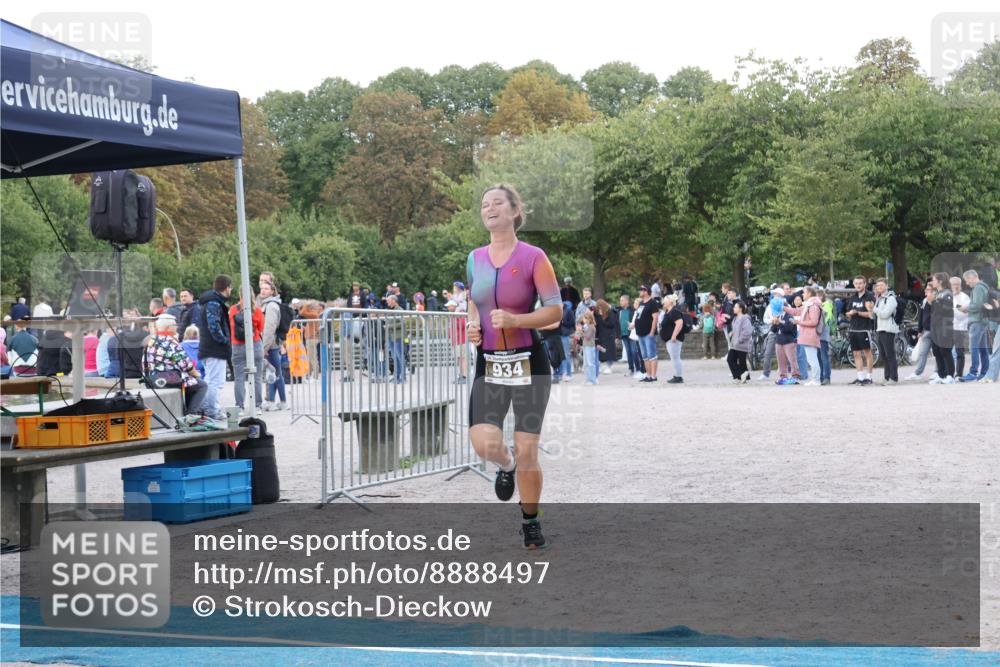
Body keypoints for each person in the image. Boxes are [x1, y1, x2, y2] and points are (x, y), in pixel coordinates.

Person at [466, 184, 562, 550]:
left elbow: (555, 313)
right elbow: (475, 303)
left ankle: (531, 519)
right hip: (489, 362)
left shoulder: (535, 256)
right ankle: (504, 467)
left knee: (527, 450)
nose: (488, 209)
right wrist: (473, 325)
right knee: (483, 443)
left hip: (528, 363)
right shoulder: (474, 258)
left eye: (496, 203)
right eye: (484, 204)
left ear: (513, 211)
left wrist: (516, 321)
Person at [145, 314, 207, 415]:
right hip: (170, 379)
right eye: (175, 325)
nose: (177, 327)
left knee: (190, 382)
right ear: (169, 328)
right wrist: (196, 374)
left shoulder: (151, 340)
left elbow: (145, 362)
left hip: (153, 379)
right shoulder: (171, 342)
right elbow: (185, 365)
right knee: (201, 385)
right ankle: (191, 415)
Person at [197, 274, 233, 421]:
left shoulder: (209, 302)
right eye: (230, 287)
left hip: (207, 347)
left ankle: (207, 408)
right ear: (227, 288)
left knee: (210, 380)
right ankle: (212, 410)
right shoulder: (214, 303)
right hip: (214, 349)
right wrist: (224, 340)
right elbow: (214, 326)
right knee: (215, 382)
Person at [229, 287, 264, 414]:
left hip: (237, 345)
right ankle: (258, 406)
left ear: (239, 294)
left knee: (239, 378)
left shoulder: (233, 310)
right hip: (255, 344)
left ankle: (240, 407)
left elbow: (230, 327)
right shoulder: (257, 311)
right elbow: (260, 328)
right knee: (257, 377)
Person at [783, 287, 822, 386]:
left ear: (809, 293)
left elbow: (814, 322)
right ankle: (815, 379)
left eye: (804, 293)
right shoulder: (808, 305)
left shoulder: (813, 306)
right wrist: (783, 307)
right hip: (807, 335)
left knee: (812, 359)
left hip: (810, 335)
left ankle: (816, 380)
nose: (802, 295)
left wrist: (798, 322)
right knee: (811, 359)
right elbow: (796, 312)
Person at [258, 279, 287, 410]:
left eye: (266, 288)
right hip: (270, 344)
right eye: (262, 288)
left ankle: (280, 401)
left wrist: (264, 348)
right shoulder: (267, 304)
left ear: (272, 291)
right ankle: (274, 401)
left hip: (271, 345)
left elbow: (269, 328)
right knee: (273, 372)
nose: (263, 290)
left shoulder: (271, 306)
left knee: (276, 373)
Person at [958, 269, 990, 381]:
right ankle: (985, 372)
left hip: (977, 321)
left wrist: (965, 308)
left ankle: (973, 373)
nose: (967, 283)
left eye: (967, 280)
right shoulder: (983, 287)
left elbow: (976, 305)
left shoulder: (978, 288)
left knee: (974, 348)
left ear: (972, 277)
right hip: (983, 321)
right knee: (983, 349)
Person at [845, 275, 876, 385]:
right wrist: (849, 314)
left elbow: (871, 314)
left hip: (864, 329)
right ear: (854, 284)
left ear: (864, 284)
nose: (858, 285)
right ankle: (860, 377)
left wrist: (857, 313)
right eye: (856, 283)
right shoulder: (853, 297)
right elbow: (848, 312)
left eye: (860, 283)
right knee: (856, 354)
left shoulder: (869, 296)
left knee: (867, 353)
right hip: (853, 328)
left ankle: (869, 377)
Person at [928, 272, 956, 384]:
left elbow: (947, 309)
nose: (932, 282)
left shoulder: (947, 293)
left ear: (940, 281)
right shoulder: (938, 293)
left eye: (934, 280)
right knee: (937, 351)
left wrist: (934, 301)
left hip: (944, 327)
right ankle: (941, 375)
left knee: (945, 351)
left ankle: (950, 376)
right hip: (935, 326)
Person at [905, 286, 937, 381]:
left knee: (936, 353)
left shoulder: (937, 302)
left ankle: (937, 372)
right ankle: (918, 372)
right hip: (926, 331)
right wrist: (919, 330)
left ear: (933, 292)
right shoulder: (924, 301)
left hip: (935, 331)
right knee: (923, 353)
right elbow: (921, 316)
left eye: (928, 290)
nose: (925, 291)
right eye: (926, 289)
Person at [872, 278, 899, 385]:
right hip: (880, 328)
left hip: (888, 329)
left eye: (882, 285)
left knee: (890, 354)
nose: (879, 287)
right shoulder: (880, 299)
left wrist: (873, 309)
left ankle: (894, 377)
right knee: (883, 354)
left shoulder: (891, 298)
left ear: (887, 286)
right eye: (878, 285)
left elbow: (885, 314)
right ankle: (887, 377)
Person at [634, 285, 661, 382]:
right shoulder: (641, 303)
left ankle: (653, 376)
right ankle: (648, 375)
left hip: (648, 333)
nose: (639, 292)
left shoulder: (652, 303)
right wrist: (634, 325)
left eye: (641, 290)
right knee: (644, 356)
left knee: (651, 355)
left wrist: (652, 332)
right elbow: (639, 316)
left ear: (646, 291)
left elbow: (655, 318)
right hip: (640, 333)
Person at [659, 294, 686, 384]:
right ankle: (677, 375)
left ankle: (678, 376)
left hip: (674, 339)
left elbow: (679, 323)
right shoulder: (668, 312)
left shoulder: (674, 312)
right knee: (674, 358)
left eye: (665, 300)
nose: (663, 302)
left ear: (670, 302)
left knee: (675, 358)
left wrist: (674, 336)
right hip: (669, 339)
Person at [772, 304, 800, 385]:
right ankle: (783, 377)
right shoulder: (778, 316)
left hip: (789, 342)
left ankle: (795, 376)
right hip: (779, 341)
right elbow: (773, 330)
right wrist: (774, 322)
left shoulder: (789, 316)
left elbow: (788, 329)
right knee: (781, 361)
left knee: (792, 360)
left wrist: (779, 323)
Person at [727, 301, 752, 383]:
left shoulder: (745, 319)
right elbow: (736, 329)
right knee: (730, 360)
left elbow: (747, 332)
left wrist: (739, 340)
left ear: (740, 309)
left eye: (735, 307)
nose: (734, 308)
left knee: (741, 362)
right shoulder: (735, 318)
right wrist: (732, 333)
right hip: (734, 344)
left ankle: (741, 376)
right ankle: (740, 376)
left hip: (741, 345)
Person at [950, 276, 970, 379]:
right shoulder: (948, 296)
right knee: (946, 351)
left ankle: (959, 373)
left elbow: (964, 314)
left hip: (960, 328)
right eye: (954, 284)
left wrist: (953, 309)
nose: (956, 286)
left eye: (958, 284)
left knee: (959, 352)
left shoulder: (965, 297)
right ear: (950, 286)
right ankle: (948, 372)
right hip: (948, 328)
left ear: (961, 285)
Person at [594, 299, 617, 375]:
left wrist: (601, 317)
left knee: (609, 351)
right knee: (602, 351)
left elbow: (611, 324)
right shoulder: (597, 313)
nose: (598, 309)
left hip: (609, 335)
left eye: (600, 307)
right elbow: (596, 323)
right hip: (601, 335)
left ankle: (609, 366)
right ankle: (600, 366)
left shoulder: (610, 312)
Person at [578, 310, 599, 385]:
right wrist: (580, 332)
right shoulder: (586, 326)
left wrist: (581, 332)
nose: (583, 320)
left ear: (588, 319)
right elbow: (582, 336)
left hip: (590, 346)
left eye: (584, 319)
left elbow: (588, 337)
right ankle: (588, 379)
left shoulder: (591, 327)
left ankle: (592, 380)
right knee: (586, 363)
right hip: (585, 346)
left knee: (590, 363)